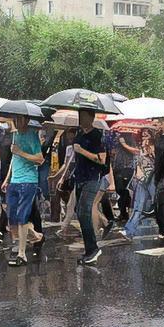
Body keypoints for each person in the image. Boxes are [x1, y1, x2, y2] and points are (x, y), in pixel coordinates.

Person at [3, 114, 45, 266]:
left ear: (26, 120)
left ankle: (22, 254)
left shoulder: (32, 136)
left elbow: (40, 159)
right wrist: (8, 178)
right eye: (15, 119)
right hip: (15, 181)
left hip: (28, 181)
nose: (17, 121)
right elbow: (14, 159)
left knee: (22, 217)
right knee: (12, 217)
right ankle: (36, 235)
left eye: (20, 119)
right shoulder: (14, 135)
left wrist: (21, 152)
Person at [68, 109, 107, 265]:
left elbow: (101, 160)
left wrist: (82, 151)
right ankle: (89, 249)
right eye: (79, 116)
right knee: (79, 211)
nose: (81, 119)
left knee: (84, 211)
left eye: (83, 116)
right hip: (80, 178)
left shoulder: (97, 136)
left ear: (91, 118)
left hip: (93, 178)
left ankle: (93, 249)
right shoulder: (79, 135)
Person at [121, 130, 157, 240]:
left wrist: (150, 150)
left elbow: (158, 161)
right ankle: (129, 231)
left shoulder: (155, 147)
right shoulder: (140, 148)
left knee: (158, 205)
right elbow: (138, 162)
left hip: (153, 179)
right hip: (142, 180)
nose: (144, 137)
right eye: (143, 135)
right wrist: (138, 174)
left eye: (147, 134)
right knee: (138, 206)